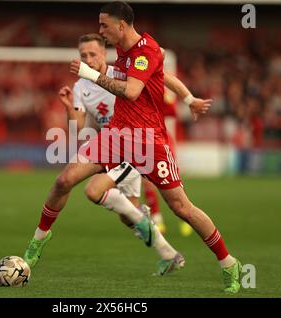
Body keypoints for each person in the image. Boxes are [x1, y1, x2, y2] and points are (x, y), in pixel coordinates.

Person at [66, 1, 242, 293]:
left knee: (182, 208)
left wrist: (91, 74)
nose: (100, 31)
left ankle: (227, 262)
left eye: (104, 25)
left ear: (121, 25)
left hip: (148, 142)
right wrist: (188, 97)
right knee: (71, 179)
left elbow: (133, 92)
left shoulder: (146, 51)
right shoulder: (123, 50)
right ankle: (40, 239)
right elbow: (162, 77)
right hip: (118, 137)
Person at [25, 33, 185, 276]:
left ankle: (162, 241)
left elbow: (163, 78)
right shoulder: (80, 86)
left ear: (103, 54)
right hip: (106, 148)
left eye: (92, 54)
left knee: (93, 190)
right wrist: (69, 108)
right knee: (122, 213)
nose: (87, 59)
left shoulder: (121, 75)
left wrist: (189, 97)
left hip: (133, 147)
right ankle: (170, 254)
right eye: (83, 55)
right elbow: (77, 128)